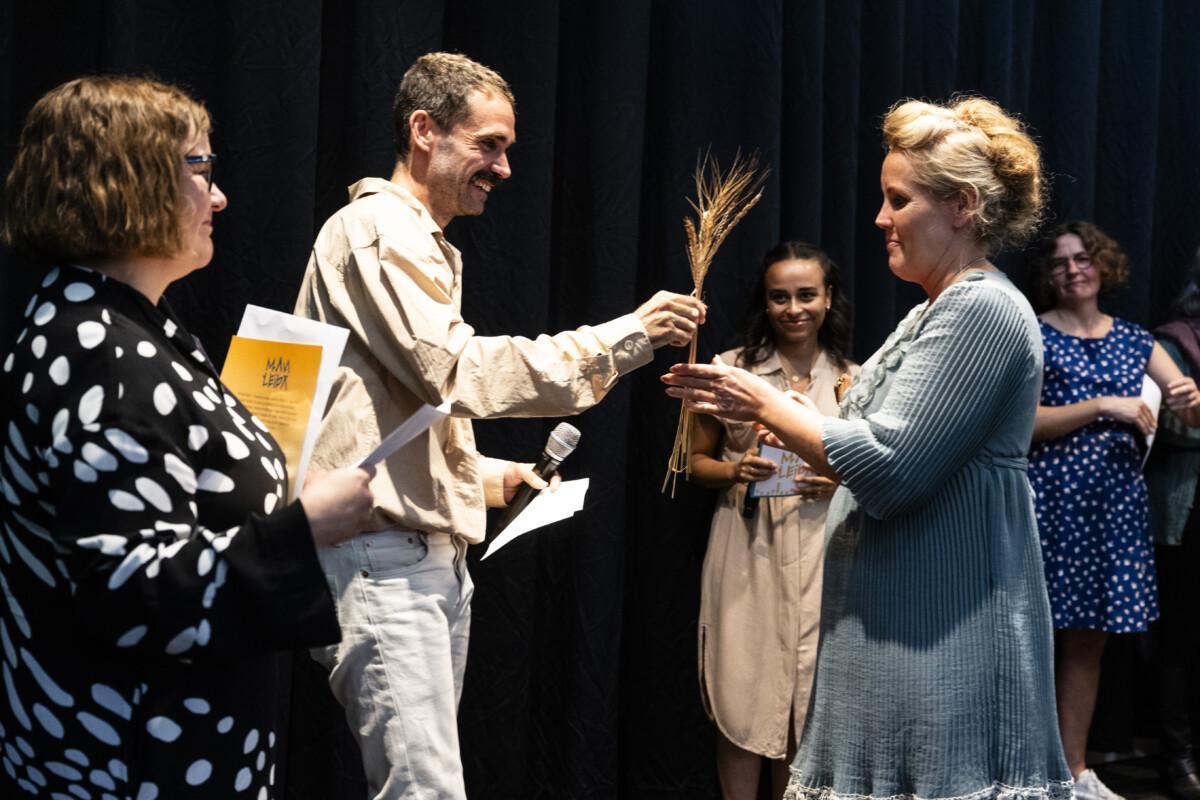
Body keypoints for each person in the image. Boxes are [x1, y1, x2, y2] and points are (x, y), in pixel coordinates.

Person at [293, 52, 705, 799]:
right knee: (425, 792)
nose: (505, 167)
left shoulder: (411, 236)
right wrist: (628, 335)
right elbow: (455, 373)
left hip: (418, 556)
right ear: (425, 131)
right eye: (489, 144)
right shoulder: (379, 229)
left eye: (506, 147)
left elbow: (390, 409)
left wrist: (485, 477)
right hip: (384, 556)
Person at [663, 96, 1072, 800]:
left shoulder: (981, 309)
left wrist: (763, 403)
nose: (881, 218)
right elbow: (864, 435)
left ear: (963, 206)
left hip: (943, 621)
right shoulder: (933, 310)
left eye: (898, 200)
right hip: (901, 618)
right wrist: (772, 406)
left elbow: (890, 466)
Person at [0, 76, 374, 799]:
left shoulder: (121, 324)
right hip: (133, 764)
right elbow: (131, 593)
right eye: (200, 169)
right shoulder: (97, 351)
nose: (219, 196)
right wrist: (305, 528)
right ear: (129, 180)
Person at [1025, 222, 1200, 800]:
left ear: (1102, 265)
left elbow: (1189, 411)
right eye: (1059, 263)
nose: (1073, 270)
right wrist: (1103, 405)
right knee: (1032, 640)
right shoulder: (1034, 335)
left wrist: (1192, 400)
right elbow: (1020, 425)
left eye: (1082, 259)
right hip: (1051, 505)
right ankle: (1026, 769)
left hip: (1114, 511)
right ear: (1048, 277)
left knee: (1088, 643)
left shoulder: (1136, 340)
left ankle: (1073, 772)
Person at [687, 241, 854, 799]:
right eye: (779, 297)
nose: (793, 308)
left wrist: (836, 477)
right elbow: (693, 464)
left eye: (807, 295)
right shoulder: (731, 371)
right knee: (744, 693)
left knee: (804, 702)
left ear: (828, 299)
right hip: (748, 548)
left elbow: (876, 466)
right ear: (766, 302)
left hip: (824, 550)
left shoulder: (853, 380)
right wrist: (737, 469)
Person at [1145, 252, 1200, 800]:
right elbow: (1177, 426)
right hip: (1187, 507)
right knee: (1182, 634)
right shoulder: (1174, 339)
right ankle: (1175, 753)